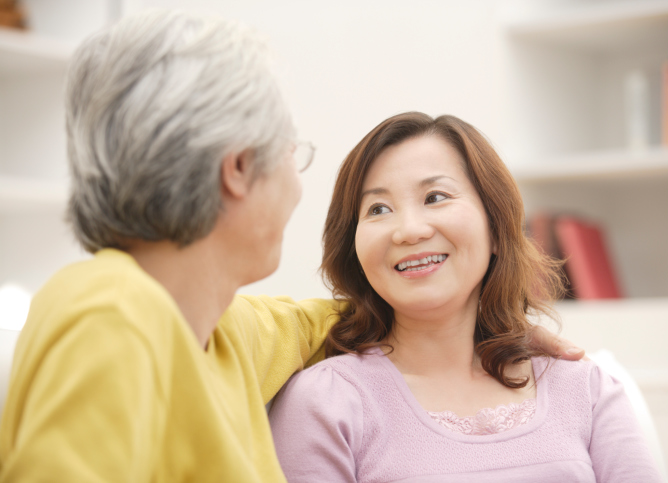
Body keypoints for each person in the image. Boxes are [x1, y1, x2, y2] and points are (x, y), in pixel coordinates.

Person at [0, 11, 585, 483]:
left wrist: (478, 318)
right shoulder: (110, 317)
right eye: (292, 154)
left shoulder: (220, 329)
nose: (298, 184)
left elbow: (330, 319)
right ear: (238, 169)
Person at [269, 112, 663, 482]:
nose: (408, 230)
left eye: (436, 197)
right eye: (378, 208)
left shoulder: (587, 389)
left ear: (495, 227)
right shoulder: (325, 402)